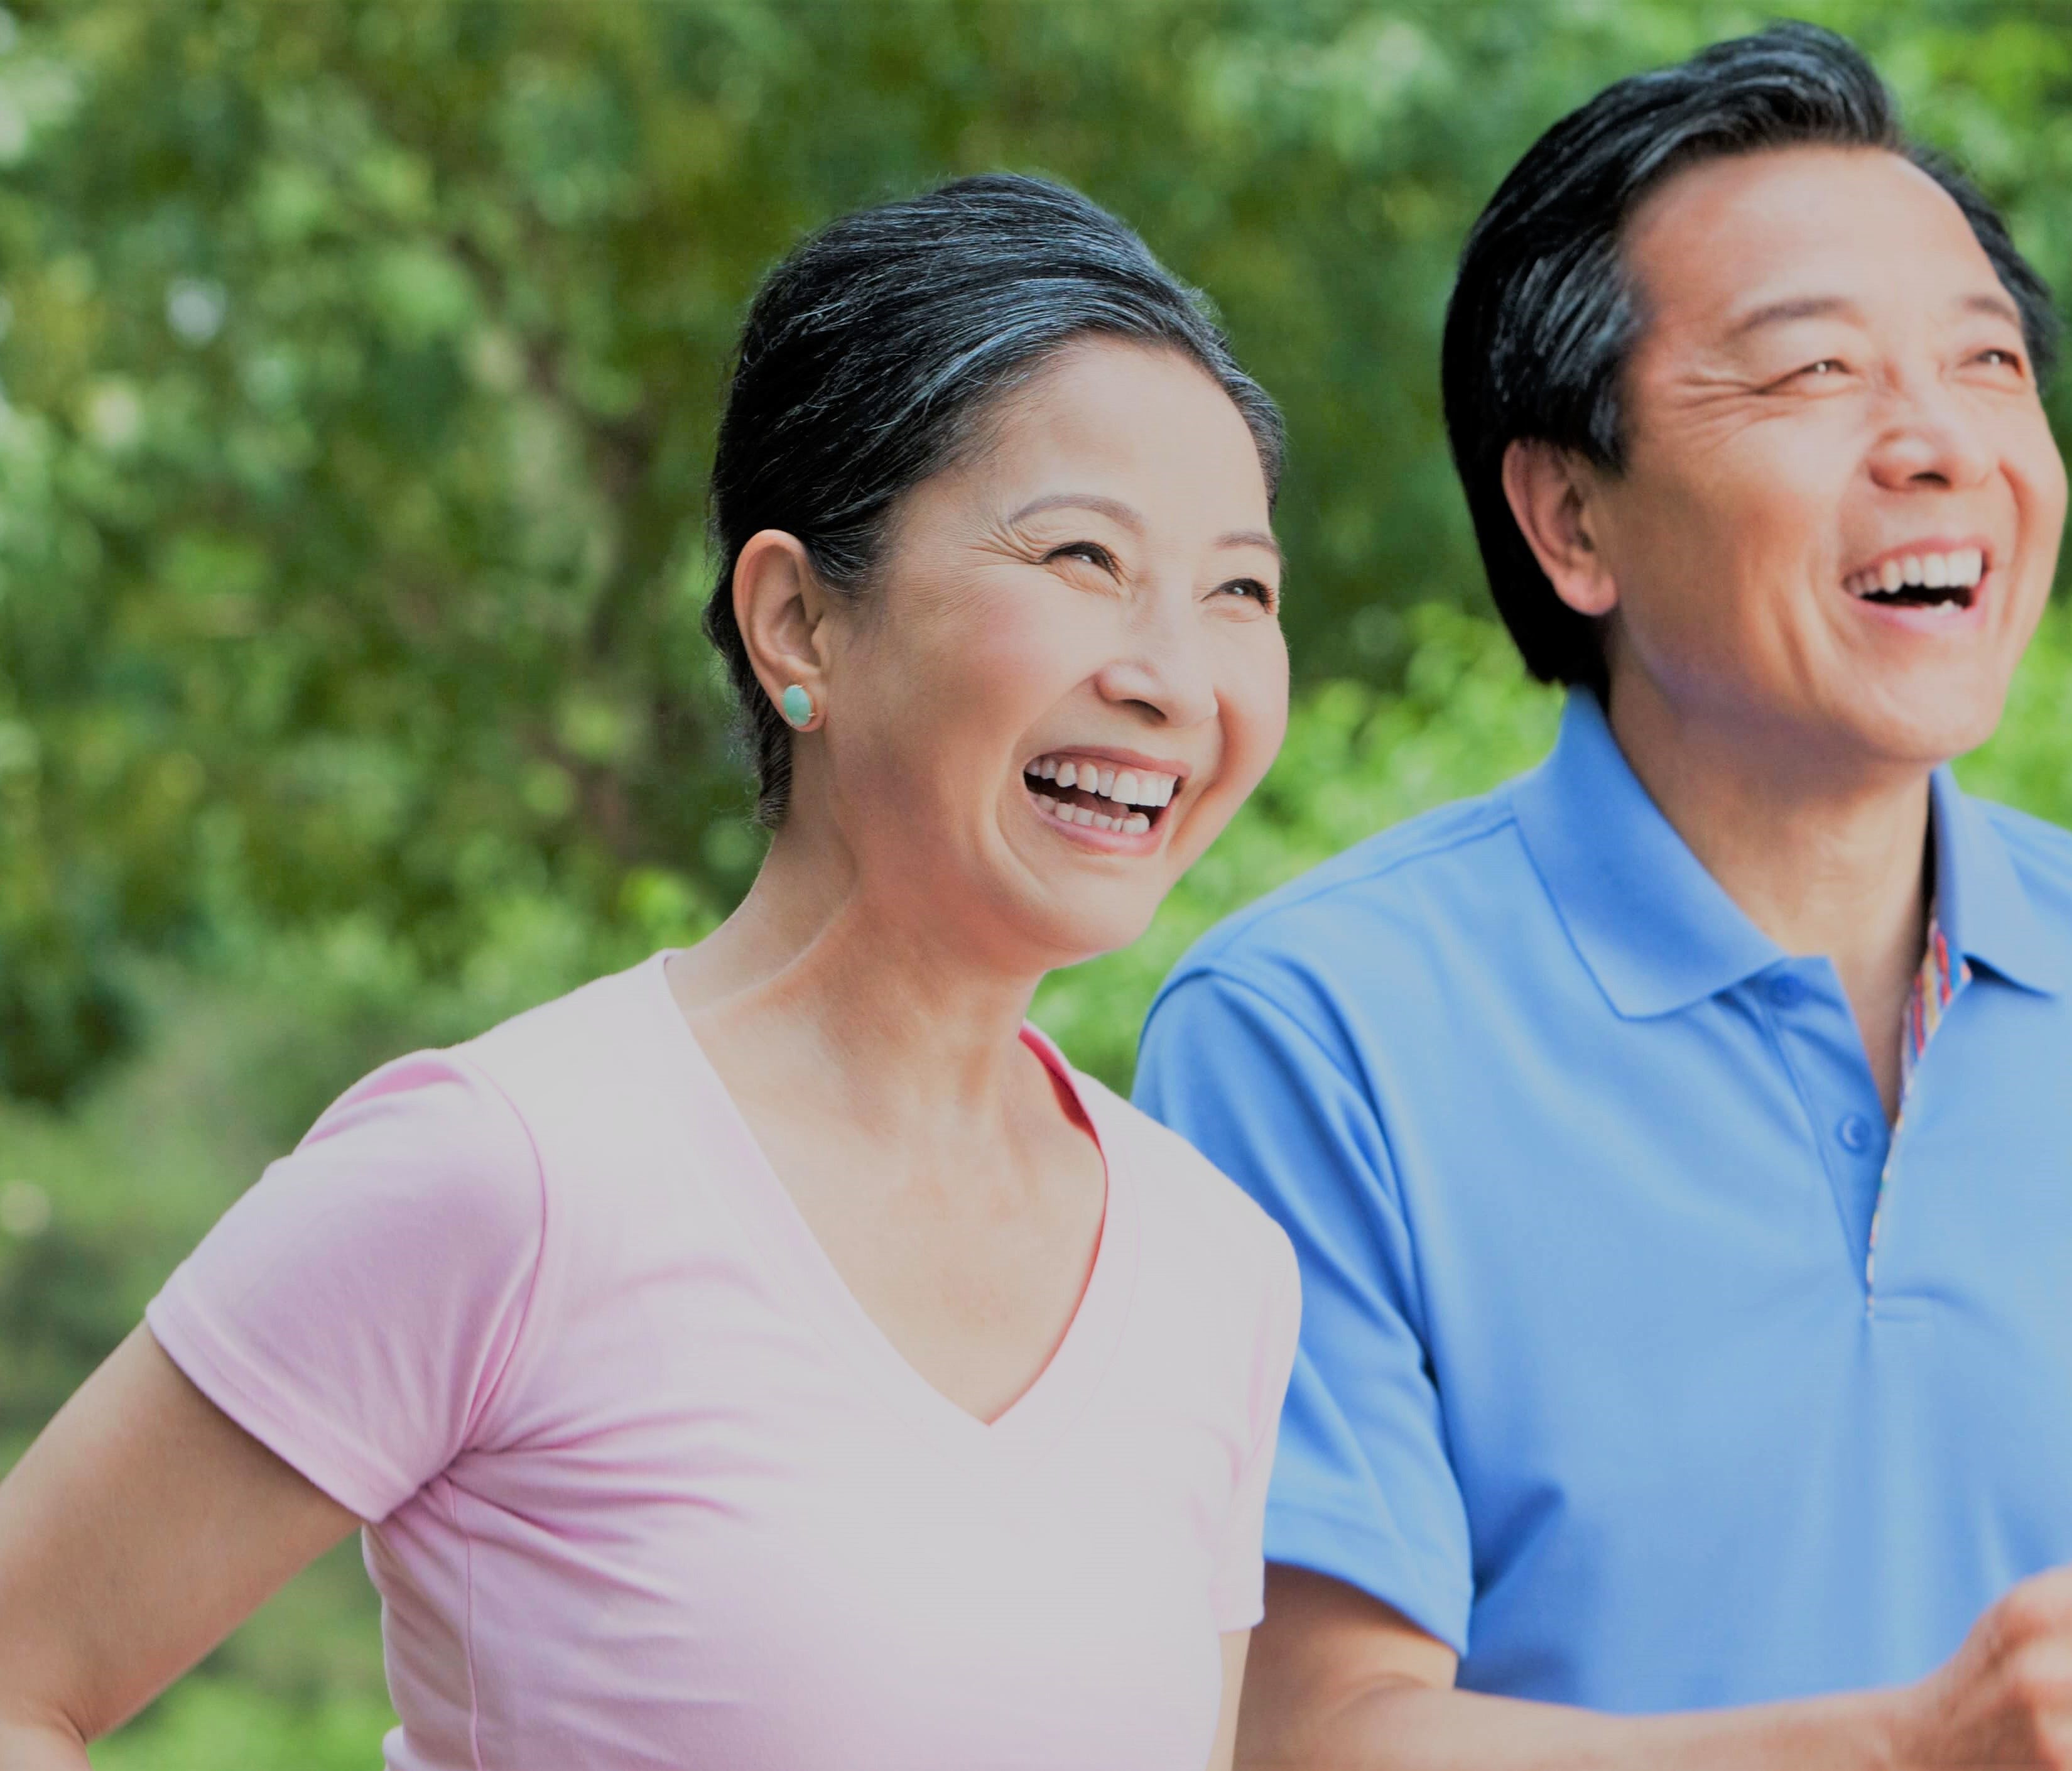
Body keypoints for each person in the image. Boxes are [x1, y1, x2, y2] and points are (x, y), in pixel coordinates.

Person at [1134, 24, 2072, 1771]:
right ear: (1569, 518)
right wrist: (1916, 1746)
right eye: (1811, 375)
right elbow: (1313, 1736)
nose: (1938, 440)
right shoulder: (1313, 1034)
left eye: (1989, 363)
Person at [0, 173, 1301, 1771]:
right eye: (1083, 558)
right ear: (798, 624)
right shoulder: (510, 1170)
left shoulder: (1216, 1267)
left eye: (1238, 588)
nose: (1174, 675)